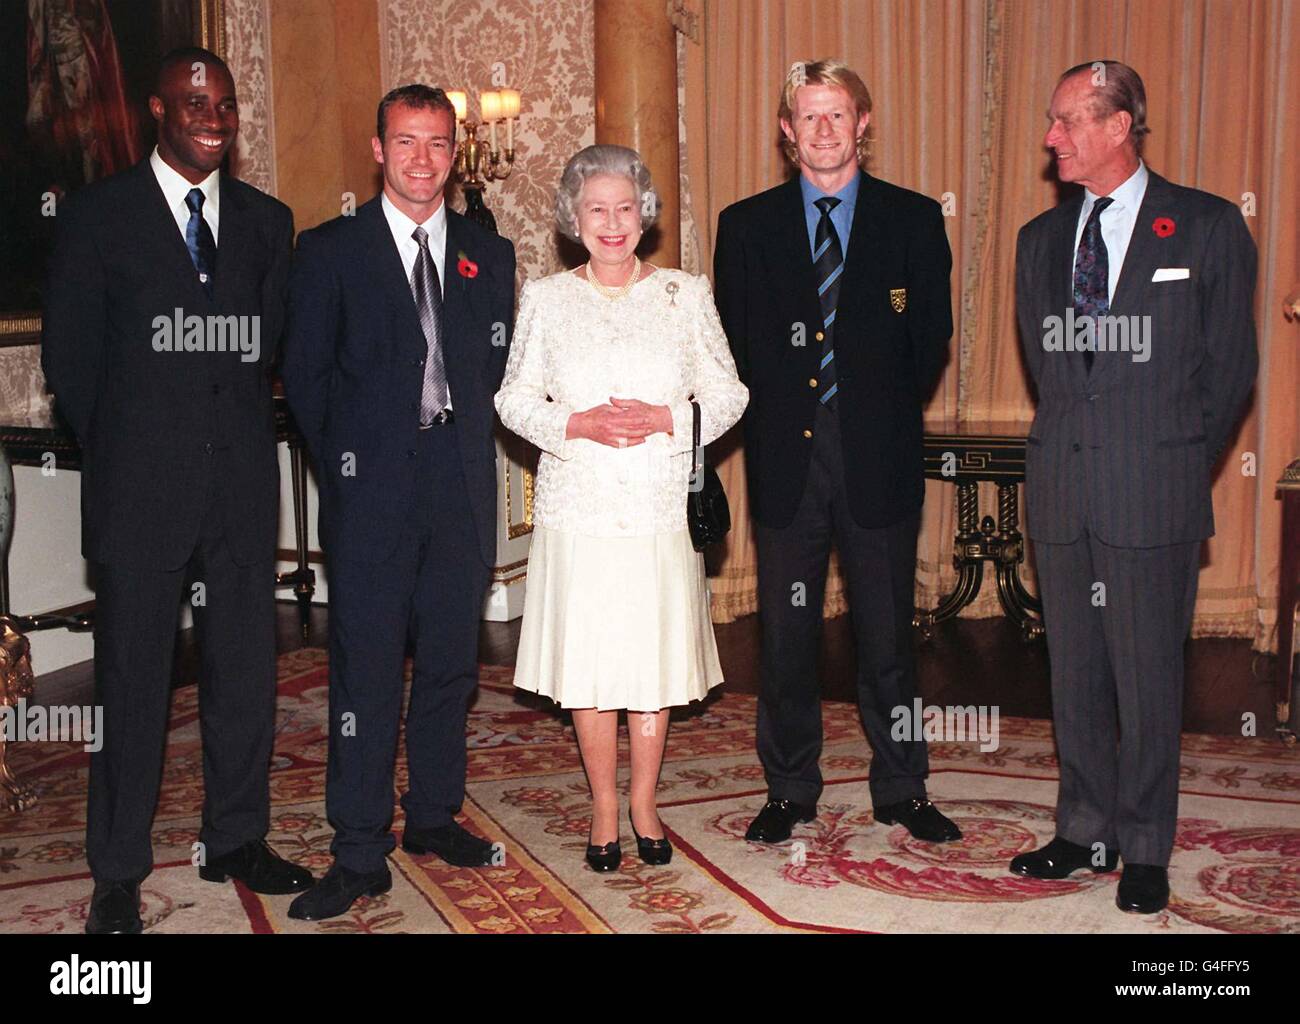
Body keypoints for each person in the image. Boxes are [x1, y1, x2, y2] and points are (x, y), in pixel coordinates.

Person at [41, 47, 309, 935]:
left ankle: (235, 836)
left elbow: (261, 355)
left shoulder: (271, 223)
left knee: (244, 675)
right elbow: (70, 365)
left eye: (227, 103)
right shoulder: (96, 217)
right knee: (131, 687)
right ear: (158, 107)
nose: (214, 114)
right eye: (196, 99)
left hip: (237, 490)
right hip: (138, 495)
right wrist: (129, 452)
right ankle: (117, 869)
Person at [1011, 61, 1257, 914]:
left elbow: (1230, 372)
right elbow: (1054, 371)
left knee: (1149, 677)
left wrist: (1176, 458)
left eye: (1067, 121)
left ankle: (1146, 842)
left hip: (1152, 487)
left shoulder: (1205, 227)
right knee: (1074, 673)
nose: (1052, 138)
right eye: (1052, 123)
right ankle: (1083, 827)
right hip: (1062, 493)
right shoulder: (1039, 243)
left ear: (1118, 126)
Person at [281, 84, 516, 920]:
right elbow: (305, 378)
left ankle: (433, 817)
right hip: (369, 490)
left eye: (439, 144)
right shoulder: (330, 251)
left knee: (451, 666)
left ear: (456, 154)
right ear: (378, 149)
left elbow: (496, 376)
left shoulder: (490, 257)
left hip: (459, 487)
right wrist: (350, 468)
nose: (424, 160)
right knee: (367, 671)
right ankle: (357, 849)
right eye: (407, 143)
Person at [713, 60, 960, 846]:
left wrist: (868, 408)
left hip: (878, 458)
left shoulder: (914, 219)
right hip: (787, 462)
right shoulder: (745, 225)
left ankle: (902, 787)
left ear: (863, 124)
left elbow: (929, 344)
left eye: (837, 115)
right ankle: (789, 788)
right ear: (787, 133)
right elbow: (736, 348)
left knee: (887, 634)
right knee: (787, 639)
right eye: (807, 118)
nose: (822, 131)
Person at [495, 145, 747, 871]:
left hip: (658, 506)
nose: (612, 222)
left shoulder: (684, 293)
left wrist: (668, 417)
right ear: (574, 218)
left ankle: (645, 803)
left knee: (651, 662)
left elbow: (730, 394)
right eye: (597, 209)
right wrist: (576, 424)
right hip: (579, 509)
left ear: (646, 216)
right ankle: (605, 805)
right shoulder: (546, 300)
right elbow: (512, 398)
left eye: (625, 208)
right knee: (594, 665)